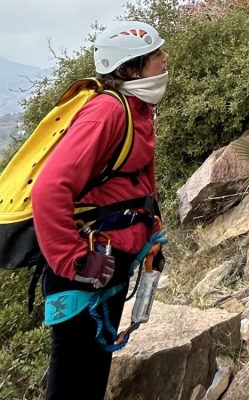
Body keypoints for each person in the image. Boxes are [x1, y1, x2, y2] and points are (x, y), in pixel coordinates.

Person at [32, 21, 169, 400]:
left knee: (92, 378)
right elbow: (48, 189)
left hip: (109, 264)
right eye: (157, 54)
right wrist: (75, 259)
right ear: (131, 68)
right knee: (72, 381)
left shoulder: (137, 110)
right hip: (82, 270)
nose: (164, 59)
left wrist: (152, 236)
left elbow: (133, 186)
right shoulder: (107, 113)